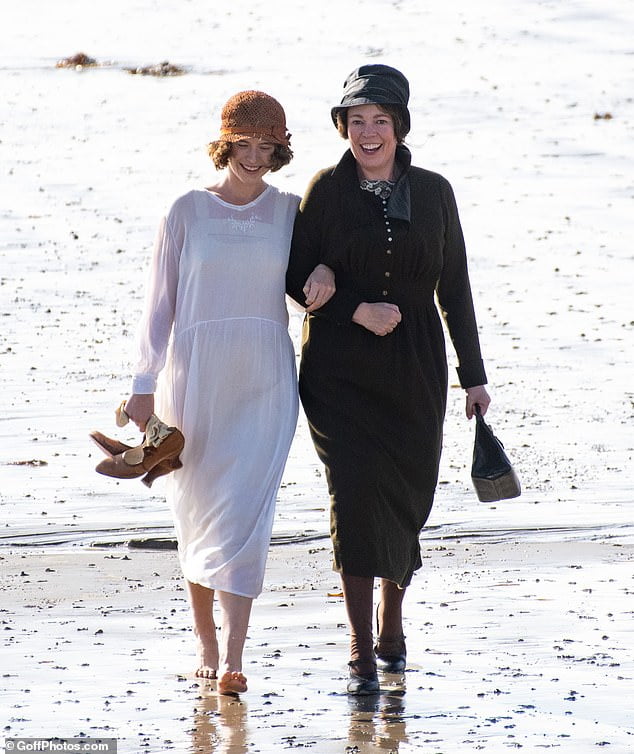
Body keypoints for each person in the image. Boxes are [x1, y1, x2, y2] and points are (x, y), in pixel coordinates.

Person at [111, 90, 334, 695]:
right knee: (199, 512)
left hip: (265, 378)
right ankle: (205, 642)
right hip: (196, 377)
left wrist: (325, 272)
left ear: (280, 149)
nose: (256, 157)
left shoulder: (291, 211)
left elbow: (317, 269)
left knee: (245, 514)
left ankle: (234, 654)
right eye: (246, 145)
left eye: (269, 146)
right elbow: (159, 307)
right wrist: (142, 384)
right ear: (226, 142)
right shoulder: (185, 210)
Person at [286, 64, 491, 695]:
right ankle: (358, 645)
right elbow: (294, 275)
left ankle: (392, 620)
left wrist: (474, 377)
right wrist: (348, 304)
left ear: (400, 126)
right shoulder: (325, 189)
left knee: (407, 493)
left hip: (416, 366)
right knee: (353, 494)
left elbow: (453, 286)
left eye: (380, 120)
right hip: (338, 370)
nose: (367, 133)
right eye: (356, 121)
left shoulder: (434, 192)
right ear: (342, 127)